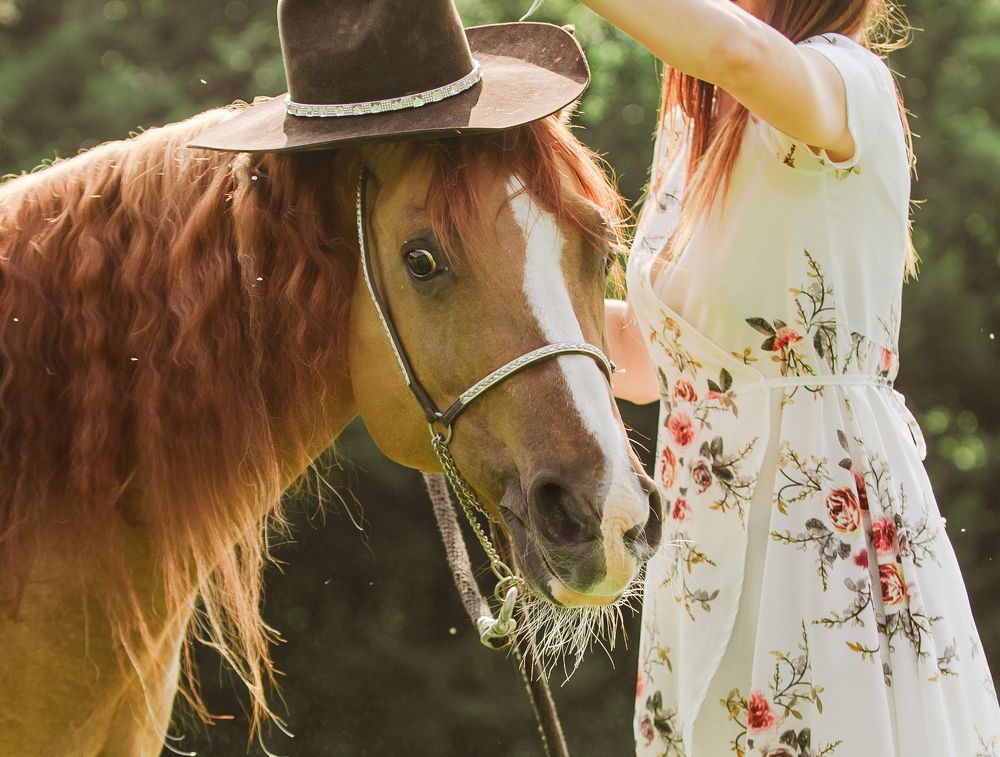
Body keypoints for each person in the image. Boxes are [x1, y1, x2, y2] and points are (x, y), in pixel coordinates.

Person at [583, 0, 1000, 754]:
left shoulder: (845, 81)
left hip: (815, 528)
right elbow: (654, 361)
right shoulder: (693, 129)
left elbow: (739, 51)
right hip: (703, 543)